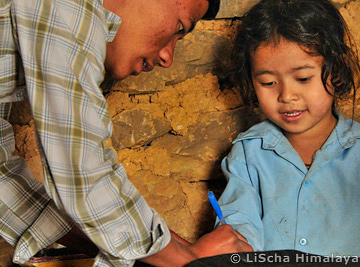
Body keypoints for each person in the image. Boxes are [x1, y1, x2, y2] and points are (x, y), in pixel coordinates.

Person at [0, 0, 253, 266]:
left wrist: (170, 249)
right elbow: (84, 176)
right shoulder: (66, 5)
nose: (168, 57)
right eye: (179, 27)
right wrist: (187, 260)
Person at [214, 0, 360, 266]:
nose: (287, 96)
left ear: (335, 71)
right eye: (268, 82)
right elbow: (238, 229)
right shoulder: (248, 155)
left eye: (303, 78)